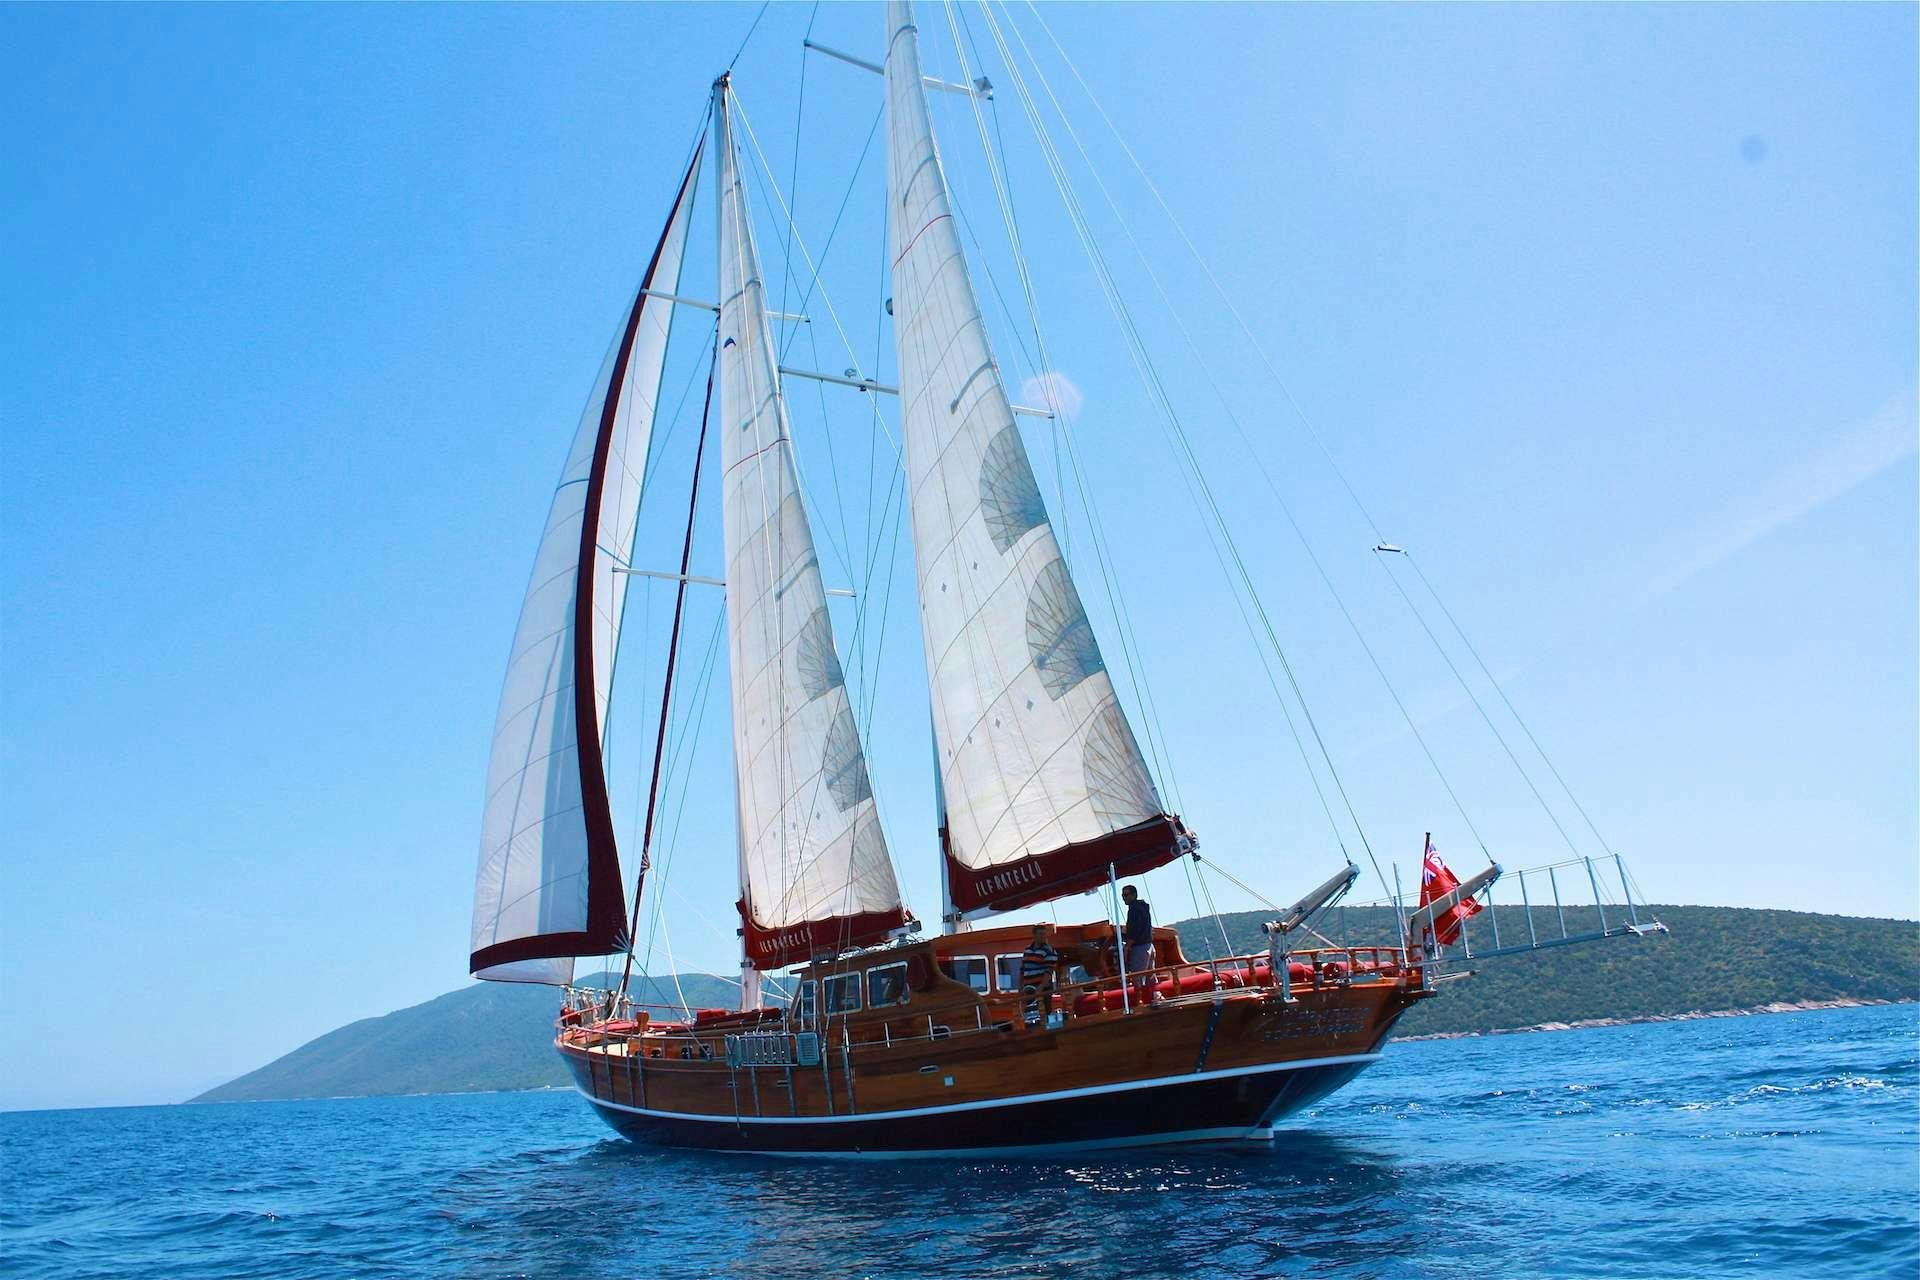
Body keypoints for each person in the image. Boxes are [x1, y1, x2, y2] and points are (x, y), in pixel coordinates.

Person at [1018, 924, 1061, 1027]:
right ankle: (1032, 1030)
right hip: (1029, 988)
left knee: (1045, 1012)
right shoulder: (1027, 950)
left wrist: (1040, 989)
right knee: (1030, 1015)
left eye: (1044, 935)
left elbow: (1048, 972)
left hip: (1043, 988)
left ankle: (1047, 1030)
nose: (1043, 937)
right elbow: (1022, 969)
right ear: (1034, 935)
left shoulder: (1049, 951)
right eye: (1041, 934)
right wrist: (1020, 986)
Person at [1121, 884, 1156, 999]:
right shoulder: (1143, 907)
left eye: (1126, 895)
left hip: (1140, 948)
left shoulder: (1134, 910)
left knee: (1137, 978)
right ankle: (1155, 998)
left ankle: (1141, 1004)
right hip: (1149, 946)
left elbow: (1135, 931)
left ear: (1134, 895)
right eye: (1123, 895)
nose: (1124, 898)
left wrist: (1126, 947)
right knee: (1150, 977)